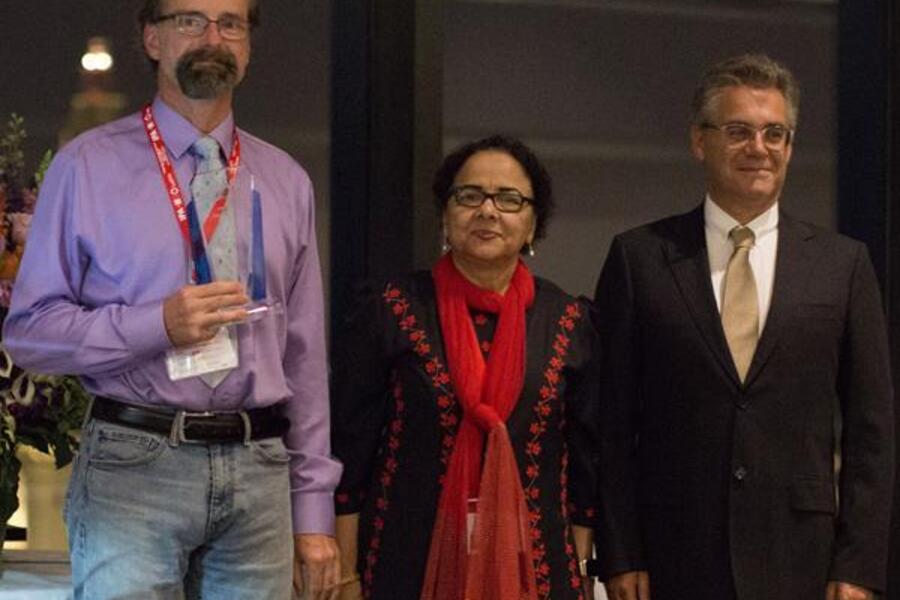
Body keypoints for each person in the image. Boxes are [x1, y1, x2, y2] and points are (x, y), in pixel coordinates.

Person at [2, 1, 342, 597]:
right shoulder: (87, 168)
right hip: (135, 465)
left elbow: (305, 358)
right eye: (190, 20)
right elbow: (30, 332)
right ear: (153, 38)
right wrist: (156, 324)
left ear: (248, 47)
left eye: (230, 23)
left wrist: (313, 512)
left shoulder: (286, 180)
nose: (212, 36)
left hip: (260, 470)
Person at [592, 53, 895, 600]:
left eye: (775, 133)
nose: (759, 148)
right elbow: (611, 421)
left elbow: (872, 430)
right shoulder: (639, 258)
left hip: (804, 556)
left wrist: (858, 565)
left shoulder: (843, 264)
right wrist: (621, 550)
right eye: (739, 131)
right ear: (699, 141)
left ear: (790, 146)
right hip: (671, 554)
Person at [331, 135, 599, 600]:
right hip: (405, 562)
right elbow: (350, 448)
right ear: (445, 215)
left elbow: (587, 459)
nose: (488, 211)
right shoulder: (392, 308)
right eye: (469, 196)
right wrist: (347, 573)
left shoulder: (569, 321)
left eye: (509, 199)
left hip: (536, 566)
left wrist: (576, 565)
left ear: (534, 225)